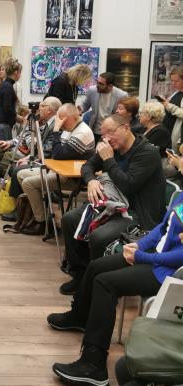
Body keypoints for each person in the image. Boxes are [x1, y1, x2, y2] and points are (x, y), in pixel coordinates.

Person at [47, 191, 183, 386]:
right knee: (96, 267)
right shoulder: (181, 196)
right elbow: (163, 228)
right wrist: (139, 245)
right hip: (155, 258)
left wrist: (142, 257)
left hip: (168, 273)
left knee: (105, 284)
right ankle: (79, 317)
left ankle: (94, 365)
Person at [60, 114, 166, 295]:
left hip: (136, 213)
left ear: (126, 128)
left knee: (99, 236)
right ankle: (80, 274)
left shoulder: (147, 152)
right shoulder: (113, 147)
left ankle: (95, 284)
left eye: (110, 132)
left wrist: (108, 160)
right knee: (69, 220)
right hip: (111, 205)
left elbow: (129, 185)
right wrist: (91, 180)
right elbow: (87, 166)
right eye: (103, 134)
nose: (106, 138)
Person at [15, 103, 95, 235]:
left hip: (72, 178)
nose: (58, 121)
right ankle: (40, 214)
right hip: (59, 170)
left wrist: (56, 130)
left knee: (28, 183)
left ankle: (41, 222)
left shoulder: (82, 132)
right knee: (21, 174)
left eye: (60, 118)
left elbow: (58, 154)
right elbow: (55, 153)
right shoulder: (71, 129)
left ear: (68, 118)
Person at [0, 97, 62, 205]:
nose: (39, 108)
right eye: (40, 105)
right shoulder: (41, 120)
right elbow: (21, 137)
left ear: (50, 110)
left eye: (43, 106)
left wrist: (30, 131)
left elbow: (37, 148)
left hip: (28, 155)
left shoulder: (51, 125)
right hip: (19, 148)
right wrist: (10, 142)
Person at [80, 72, 128, 142]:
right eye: (97, 82)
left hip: (110, 132)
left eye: (101, 84)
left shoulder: (121, 95)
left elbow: (123, 115)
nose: (97, 85)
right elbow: (85, 105)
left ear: (110, 86)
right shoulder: (92, 90)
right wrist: (78, 110)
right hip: (94, 130)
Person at [0, 58, 21, 140]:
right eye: (20, 72)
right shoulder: (8, 86)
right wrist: (17, 117)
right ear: (16, 72)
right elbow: (7, 108)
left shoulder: (6, 84)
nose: (20, 75)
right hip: (2, 124)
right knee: (2, 147)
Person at [161, 65, 183, 151]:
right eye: (172, 81)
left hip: (177, 135)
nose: (173, 83)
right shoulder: (177, 92)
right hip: (168, 131)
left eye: (176, 81)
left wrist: (169, 106)